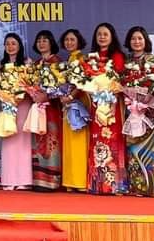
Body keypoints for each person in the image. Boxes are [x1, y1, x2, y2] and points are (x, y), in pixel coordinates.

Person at [123, 26, 154, 197]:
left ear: (145, 40)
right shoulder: (126, 61)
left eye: (140, 38)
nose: (136, 42)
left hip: (150, 112)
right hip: (131, 110)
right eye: (133, 38)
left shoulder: (152, 59)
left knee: (152, 149)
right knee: (132, 147)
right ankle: (137, 186)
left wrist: (146, 98)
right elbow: (121, 83)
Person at [87, 23, 128, 195]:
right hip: (97, 104)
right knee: (97, 140)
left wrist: (111, 92)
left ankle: (115, 184)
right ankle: (97, 184)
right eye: (99, 34)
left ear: (112, 37)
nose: (102, 37)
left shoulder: (117, 56)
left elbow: (119, 80)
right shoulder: (91, 58)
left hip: (112, 104)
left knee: (113, 140)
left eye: (105, 34)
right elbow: (87, 80)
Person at [29, 29, 62, 191]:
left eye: (45, 40)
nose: (41, 43)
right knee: (38, 141)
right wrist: (32, 93)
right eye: (39, 40)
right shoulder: (35, 64)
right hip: (37, 107)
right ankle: (39, 180)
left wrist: (47, 96)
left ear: (51, 43)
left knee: (51, 141)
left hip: (52, 108)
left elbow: (62, 87)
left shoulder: (57, 62)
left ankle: (52, 181)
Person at [0, 32, 32, 190]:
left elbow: (31, 84)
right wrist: (5, 96)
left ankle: (23, 180)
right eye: (7, 44)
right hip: (8, 106)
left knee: (23, 141)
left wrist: (21, 95)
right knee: (9, 141)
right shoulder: (1, 65)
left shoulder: (27, 63)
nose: (10, 46)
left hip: (23, 105)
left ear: (19, 46)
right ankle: (9, 180)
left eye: (13, 43)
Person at [59, 28, 90, 192]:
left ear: (78, 41)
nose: (69, 42)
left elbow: (83, 82)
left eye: (72, 39)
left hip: (78, 103)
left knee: (78, 139)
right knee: (69, 141)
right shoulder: (67, 61)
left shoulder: (81, 59)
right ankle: (70, 181)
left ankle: (79, 180)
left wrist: (71, 96)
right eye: (66, 40)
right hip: (67, 103)